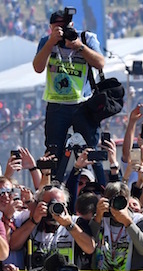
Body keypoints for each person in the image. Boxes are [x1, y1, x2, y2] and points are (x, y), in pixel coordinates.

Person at [32, 9, 105, 180]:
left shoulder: (86, 38)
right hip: (57, 106)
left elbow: (100, 63)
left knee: (90, 151)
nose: (63, 31)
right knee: (53, 153)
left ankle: (97, 186)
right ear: (51, 27)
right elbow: (37, 67)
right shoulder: (46, 42)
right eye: (58, 27)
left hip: (83, 104)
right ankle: (54, 187)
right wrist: (51, 43)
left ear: (72, 25)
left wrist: (79, 46)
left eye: (65, 27)